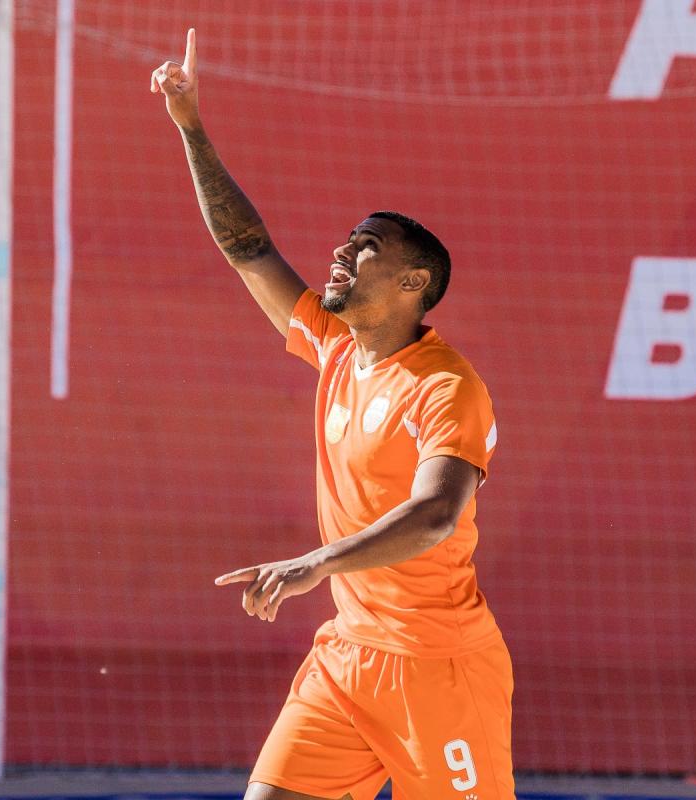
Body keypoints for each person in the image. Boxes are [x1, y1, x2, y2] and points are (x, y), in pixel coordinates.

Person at [151, 29, 514, 800]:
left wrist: (314, 563)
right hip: (348, 660)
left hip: (439, 669)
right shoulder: (339, 347)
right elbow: (248, 248)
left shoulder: (446, 386)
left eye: (367, 246)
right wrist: (191, 126)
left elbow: (436, 516)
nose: (343, 252)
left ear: (414, 283)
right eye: (347, 240)